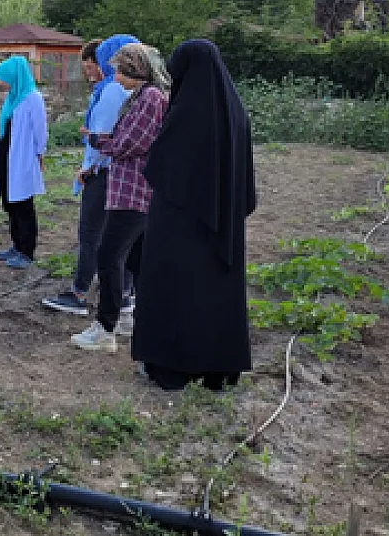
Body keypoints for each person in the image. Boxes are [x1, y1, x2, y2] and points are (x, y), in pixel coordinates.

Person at [133, 39, 256, 390]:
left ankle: (171, 367)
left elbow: (158, 168)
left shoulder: (185, 115)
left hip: (178, 226)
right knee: (215, 295)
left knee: (174, 292)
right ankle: (217, 371)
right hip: (222, 227)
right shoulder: (236, 111)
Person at [70, 43, 170, 352]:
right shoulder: (143, 96)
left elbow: (131, 143)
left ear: (135, 70)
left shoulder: (151, 98)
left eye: (118, 71)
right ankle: (130, 314)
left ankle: (105, 328)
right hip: (131, 188)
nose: (114, 77)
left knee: (109, 254)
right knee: (135, 257)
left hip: (134, 191)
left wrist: (98, 140)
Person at [43, 34, 138, 316]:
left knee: (91, 232)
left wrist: (89, 166)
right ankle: (126, 293)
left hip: (104, 171)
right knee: (124, 236)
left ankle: (80, 293)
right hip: (125, 172)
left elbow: (102, 134)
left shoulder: (112, 90)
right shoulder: (141, 90)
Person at [0, 56, 47, 269]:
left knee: (23, 206)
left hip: (22, 160)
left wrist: (40, 154)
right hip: (6, 159)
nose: (0, 83)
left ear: (14, 76)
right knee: (10, 203)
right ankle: (16, 245)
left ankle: (27, 251)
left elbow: (41, 131)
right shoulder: (12, 98)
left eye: (3, 78)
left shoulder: (33, 98)